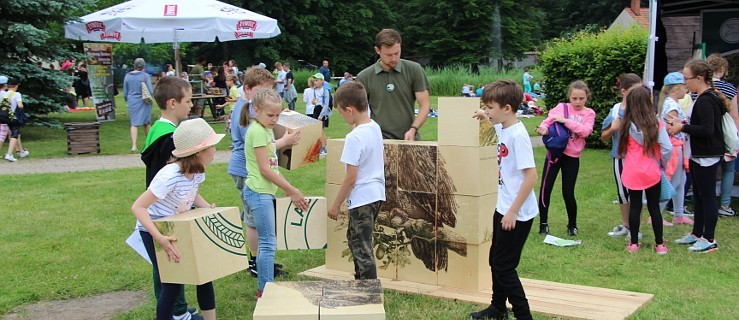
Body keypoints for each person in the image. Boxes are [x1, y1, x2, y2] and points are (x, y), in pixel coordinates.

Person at [131, 118, 223, 320]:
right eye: (212, 146)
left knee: (204, 274)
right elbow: (138, 207)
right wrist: (159, 238)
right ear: (198, 151)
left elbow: (192, 194)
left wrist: (206, 207)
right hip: (153, 230)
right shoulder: (169, 176)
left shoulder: (198, 171)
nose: (216, 150)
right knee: (172, 283)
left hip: (177, 226)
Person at [470, 80, 537, 320]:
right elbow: (492, 122)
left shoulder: (518, 135)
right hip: (504, 207)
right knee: (494, 260)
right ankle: (498, 308)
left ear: (507, 108)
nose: (487, 111)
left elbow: (531, 176)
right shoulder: (503, 125)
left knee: (504, 266)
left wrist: (512, 212)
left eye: (490, 107)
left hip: (516, 213)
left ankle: (523, 315)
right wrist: (483, 114)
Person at [138, 76, 201, 320]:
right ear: (173, 102)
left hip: (159, 202)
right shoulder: (171, 137)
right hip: (163, 207)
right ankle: (177, 311)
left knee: (164, 262)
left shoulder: (157, 128)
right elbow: (175, 177)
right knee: (169, 262)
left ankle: (177, 307)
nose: (191, 106)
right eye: (189, 101)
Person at [244, 88, 309, 297]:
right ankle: (265, 291)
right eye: (270, 115)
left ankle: (266, 288)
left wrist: (285, 142)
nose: (274, 119)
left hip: (262, 192)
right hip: (259, 193)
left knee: (267, 241)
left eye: (277, 115)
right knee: (268, 243)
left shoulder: (263, 130)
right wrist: (291, 190)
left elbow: (269, 148)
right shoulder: (256, 131)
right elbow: (265, 168)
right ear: (255, 110)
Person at [231, 67, 294, 278]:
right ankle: (256, 262)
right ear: (248, 90)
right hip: (249, 173)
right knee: (252, 220)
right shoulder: (250, 118)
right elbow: (261, 151)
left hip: (256, 175)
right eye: (261, 92)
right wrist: (284, 141)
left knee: (258, 222)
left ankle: (261, 260)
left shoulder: (255, 115)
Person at [667, 59, 730, 253]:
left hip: (707, 154)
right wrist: (683, 121)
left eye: (687, 78)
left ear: (699, 78)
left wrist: (682, 126)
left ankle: (709, 238)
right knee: (699, 196)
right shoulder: (702, 98)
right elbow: (700, 123)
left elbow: (707, 129)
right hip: (698, 154)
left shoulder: (706, 99)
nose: (685, 83)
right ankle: (697, 233)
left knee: (707, 196)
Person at [327, 82, 386, 280]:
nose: (342, 117)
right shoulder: (374, 127)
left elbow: (351, 178)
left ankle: (369, 294)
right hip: (376, 195)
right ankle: (360, 283)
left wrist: (335, 205)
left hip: (362, 198)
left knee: (362, 248)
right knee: (354, 239)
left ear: (350, 110)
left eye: (341, 112)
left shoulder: (354, 137)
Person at [535, 81, 595, 236]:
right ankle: (543, 224)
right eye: (574, 98)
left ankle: (572, 225)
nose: (577, 102)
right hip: (555, 153)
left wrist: (566, 121)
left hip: (572, 156)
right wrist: (543, 128)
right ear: (569, 96)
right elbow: (548, 120)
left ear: (587, 97)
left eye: (581, 98)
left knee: (568, 192)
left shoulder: (589, 113)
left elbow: (585, 131)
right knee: (545, 189)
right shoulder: (561, 107)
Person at [618, 87, 673, 253]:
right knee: (654, 207)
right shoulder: (656, 123)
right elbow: (667, 147)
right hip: (652, 171)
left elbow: (622, 149)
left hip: (632, 170)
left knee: (635, 206)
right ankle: (660, 245)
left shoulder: (625, 124)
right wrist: (662, 163)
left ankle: (634, 243)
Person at [356, 28, 431, 140]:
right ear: (377, 50)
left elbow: (425, 105)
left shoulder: (414, 69)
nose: (394, 58)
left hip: (409, 138)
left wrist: (413, 129)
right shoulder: (364, 77)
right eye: (389, 55)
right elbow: (357, 111)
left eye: (397, 53)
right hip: (378, 140)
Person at [601, 73, 644, 238]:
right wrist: (613, 128)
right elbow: (604, 136)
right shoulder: (616, 109)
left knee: (637, 194)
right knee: (622, 193)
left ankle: (636, 229)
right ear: (624, 91)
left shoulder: (642, 109)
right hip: (620, 157)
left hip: (638, 159)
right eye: (636, 90)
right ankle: (627, 225)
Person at [658, 72, 693, 225]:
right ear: (677, 88)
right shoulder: (672, 105)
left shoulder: (669, 103)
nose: (687, 89)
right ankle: (656, 214)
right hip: (675, 147)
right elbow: (671, 128)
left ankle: (678, 214)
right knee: (673, 181)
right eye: (684, 87)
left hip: (678, 147)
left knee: (681, 180)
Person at [706, 54, 739, 217]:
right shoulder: (730, 89)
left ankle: (708, 201)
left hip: (706, 134)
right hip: (725, 134)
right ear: (722, 69)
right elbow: (734, 115)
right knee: (729, 169)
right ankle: (725, 205)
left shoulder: (700, 88)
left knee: (709, 170)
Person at [123, 58, 154, 152]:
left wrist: (127, 100)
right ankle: (150, 144)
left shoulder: (127, 76)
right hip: (144, 101)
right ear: (143, 66)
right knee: (147, 123)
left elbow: (125, 92)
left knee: (134, 124)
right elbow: (150, 91)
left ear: (134, 65)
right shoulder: (145, 76)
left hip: (132, 101)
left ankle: (134, 145)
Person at [304, 73, 332, 155]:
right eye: (314, 80)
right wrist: (314, 102)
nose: (315, 82)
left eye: (317, 80)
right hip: (316, 109)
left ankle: (324, 148)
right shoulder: (315, 90)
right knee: (317, 129)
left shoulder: (325, 90)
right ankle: (320, 146)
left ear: (322, 81)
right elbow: (317, 100)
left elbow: (326, 104)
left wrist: (322, 115)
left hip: (322, 110)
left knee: (321, 129)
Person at [2, 78, 28, 162]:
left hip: (3, 116)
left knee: (12, 133)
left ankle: (21, 151)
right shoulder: (17, 94)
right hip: (12, 117)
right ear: (16, 85)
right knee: (15, 134)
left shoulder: (4, 93)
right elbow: (20, 105)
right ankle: (9, 154)